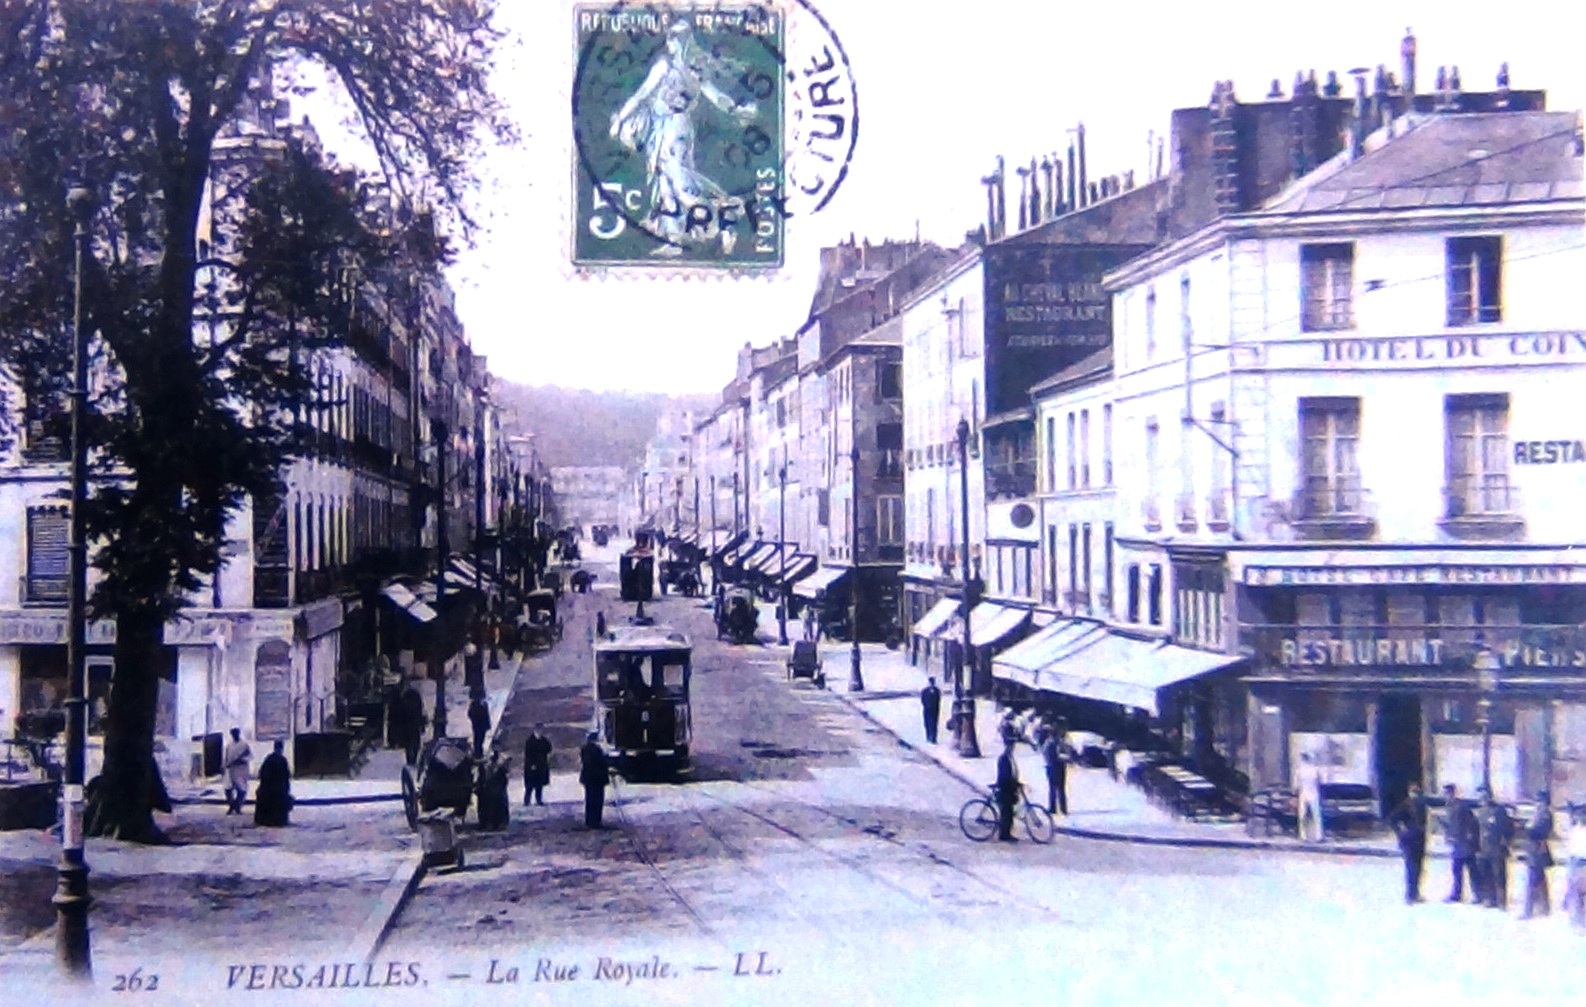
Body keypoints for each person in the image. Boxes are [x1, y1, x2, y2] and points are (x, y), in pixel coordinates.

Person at [608, 18, 759, 256]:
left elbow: (641, 95)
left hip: (671, 128)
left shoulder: (666, 66)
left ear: (674, 42)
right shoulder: (694, 70)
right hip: (672, 128)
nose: (672, 44)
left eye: (673, 40)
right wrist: (736, 110)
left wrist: (619, 120)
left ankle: (725, 219)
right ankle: (674, 239)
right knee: (667, 182)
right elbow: (717, 97)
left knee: (680, 183)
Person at [1386, 782, 1429, 904]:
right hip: (1409, 842)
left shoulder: (1421, 805)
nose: (1416, 794)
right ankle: (1410, 895)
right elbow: (1391, 819)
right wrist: (1401, 831)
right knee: (1411, 868)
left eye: (1417, 791)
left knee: (1419, 868)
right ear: (1410, 792)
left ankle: (1416, 893)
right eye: (1414, 792)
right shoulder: (1405, 805)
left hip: (1420, 841)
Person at [1476, 786, 1514, 910]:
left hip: (1497, 848)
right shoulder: (1481, 811)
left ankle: (1502, 900)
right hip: (1483, 848)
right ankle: (1489, 898)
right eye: (1480, 795)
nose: (1482, 798)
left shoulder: (1499, 810)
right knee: (1486, 874)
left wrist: (1505, 841)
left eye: (1484, 795)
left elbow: (1509, 828)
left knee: (1499, 875)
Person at [1443, 783, 1481, 902]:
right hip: (1457, 843)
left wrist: (1470, 837)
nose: (1445, 796)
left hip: (1465, 844)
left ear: (1452, 793)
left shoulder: (1461, 806)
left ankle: (1478, 895)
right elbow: (1451, 825)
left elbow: (1472, 823)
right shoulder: (1450, 806)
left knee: (1472, 871)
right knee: (1457, 871)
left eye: (1447, 793)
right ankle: (1457, 894)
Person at [1520, 789, 1555, 919]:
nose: (1537, 803)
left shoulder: (1545, 814)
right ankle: (1544, 907)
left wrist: (1527, 828)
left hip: (1538, 850)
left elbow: (1538, 831)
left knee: (1532, 880)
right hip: (1534, 850)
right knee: (1539, 879)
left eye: (1539, 800)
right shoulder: (1538, 813)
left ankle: (1529, 910)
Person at [254, 740, 293, 827]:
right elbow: (286, 775)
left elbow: (262, 773)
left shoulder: (269, 758)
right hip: (278, 789)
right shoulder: (282, 760)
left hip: (268, 788)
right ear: (281, 748)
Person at [579, 731, 611, 829]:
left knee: (589, 800)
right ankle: (596, 821)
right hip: (597, 779)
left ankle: (589, 820)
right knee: (597, 801)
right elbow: (601, 762)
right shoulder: (597, 749)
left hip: (589, 779)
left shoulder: (584, 749)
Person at [1039, 724, 1070, 817]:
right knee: (1060, 789)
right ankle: (1062, 808)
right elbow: (1058, 756)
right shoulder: (1057, 743)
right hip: (1058, 767)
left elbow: (1045, 754)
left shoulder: (1047, 743)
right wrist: (1066, 758)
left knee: (1053, 789)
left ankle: (1053, 808)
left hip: (1050, 767)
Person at [477, 752, 512, 831]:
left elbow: (504, 780)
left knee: (498, 807)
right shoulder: (485, 767)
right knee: (489, 807)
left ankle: (498, 824)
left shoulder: (500, 768)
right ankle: (489, 823)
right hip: (489, 790)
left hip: (496, 791)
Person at [221, 727, 253, 816]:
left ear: (239, 734)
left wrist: (242, 760)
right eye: (233, 734)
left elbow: (250, 756)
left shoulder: (244, 745)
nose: (234, 735)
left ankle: (237, 806)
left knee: (241, 790)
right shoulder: (229, 745)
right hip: (230, 769)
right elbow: (226, 758)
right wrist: (223, 767)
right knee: (228, 789)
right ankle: (231, 806)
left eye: (236, 733)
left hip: (241, 770)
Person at [995, 738, 1021, 842]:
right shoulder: (1004, 758)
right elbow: (1005, 776)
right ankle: (1004, 835)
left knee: (1008, 812)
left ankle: (1006, 833)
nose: (1012, 748)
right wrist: (1013, 784)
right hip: (1006, 789)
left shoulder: (1009, 758)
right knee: (1006, 812)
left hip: (1009, 788)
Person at [1295, 752, 1324, 842]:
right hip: (1313, 792)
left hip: (1304, 793)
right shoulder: (1315, 770)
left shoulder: (1299, 771)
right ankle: (1318, 835)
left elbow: (1296, 785)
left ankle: (1303, 835)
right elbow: (1320, 782)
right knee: (1316, 815)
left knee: (1303, 815)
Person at [523, 726, 552, 807]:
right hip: (532, 766)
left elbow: (549, 748)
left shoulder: (544, 740)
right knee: (530, 785)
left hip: (541, 766)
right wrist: (531, 764)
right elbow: (528, 754)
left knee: (539, 785)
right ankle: (526, 800)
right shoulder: (530, 741)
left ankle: (538, 800)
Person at [400, 685, 425, 766]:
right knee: (415, 742)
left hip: (407, 723)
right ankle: (413, 759)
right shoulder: (416, 696)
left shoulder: (404, 697)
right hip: (415, 723)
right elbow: (420, 710)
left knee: (408, 742)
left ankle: (409, 759)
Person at [467, 691, 491, 760]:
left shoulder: (483, 704)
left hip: (481, 726)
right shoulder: (476, 705)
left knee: (480, 738)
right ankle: (478, 752)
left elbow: (487, 716)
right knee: (478, 739)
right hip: (478, 726)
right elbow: (470, 714)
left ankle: (478, 752)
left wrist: (487, 725)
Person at [919, 677, 941, 745]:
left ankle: (934, 738)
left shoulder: (937, 691)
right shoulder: (924, 691)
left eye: (932, 683)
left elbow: (938, 700)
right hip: (927, 709)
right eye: (930, 683)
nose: (931, 684)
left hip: (935, 710)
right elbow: (922, 700)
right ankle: (928, 736)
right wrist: (926, 705)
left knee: (934, 723)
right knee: (927, 723)